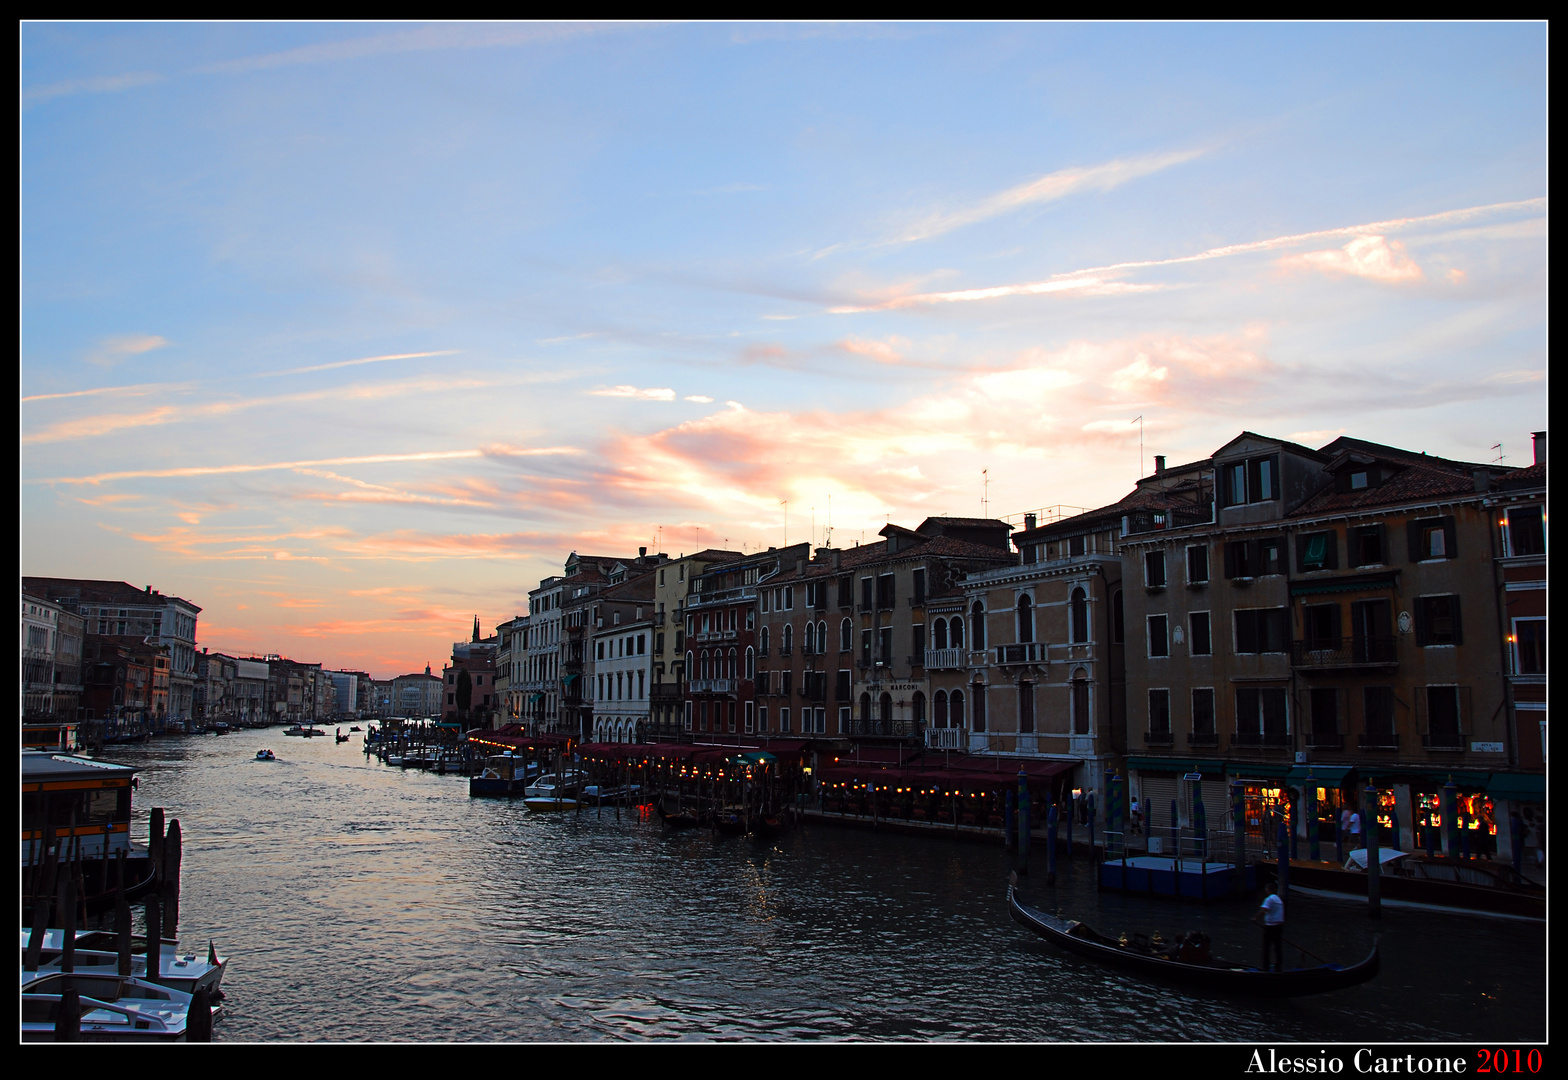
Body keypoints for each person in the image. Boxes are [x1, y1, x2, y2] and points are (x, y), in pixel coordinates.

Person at [1253, 882, 1285, 972]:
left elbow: (1264, 910)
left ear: (1268, 890)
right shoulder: (1279, 900)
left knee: (1266, 947)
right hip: (1279, 927)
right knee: (1277, 948)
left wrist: (1255, 918)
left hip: (1271, 927)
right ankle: (1278, 966)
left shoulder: (1269, 899)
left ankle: (1265, 967)